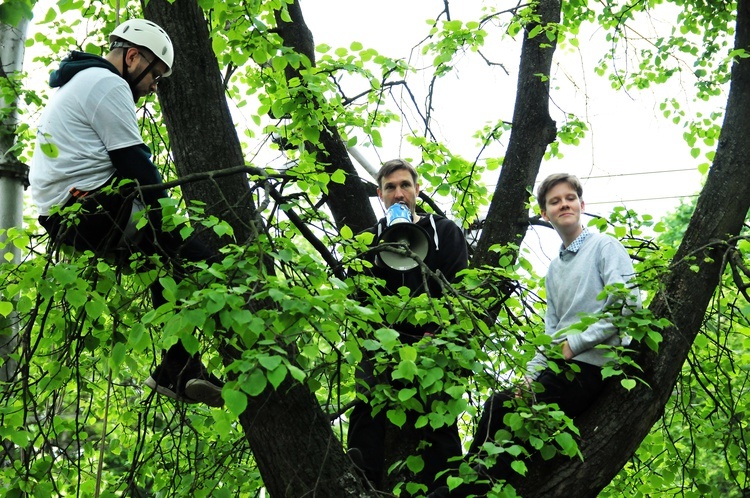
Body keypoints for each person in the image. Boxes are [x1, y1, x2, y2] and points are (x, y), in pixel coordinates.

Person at [29, 19, 224, 407]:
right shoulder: (107, 83)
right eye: (155, 75)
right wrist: (172, 223)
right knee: (206, 263)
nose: (155, 87)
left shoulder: (80, 83)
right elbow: (136, 164)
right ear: (133, 57)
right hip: (89, 210)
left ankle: (177, 367)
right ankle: (231, 335)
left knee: (162, 265)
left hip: (73, 218)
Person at [436, 173, 642, 496]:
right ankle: (470, 484)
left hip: (595, 368)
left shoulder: (605, 247)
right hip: (563, 370)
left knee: (508, 415)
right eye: (555, 201)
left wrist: (574, 344)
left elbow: (627, 308)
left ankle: (464, 491)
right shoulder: (554, 270)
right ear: (544, 214)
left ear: (582, 204)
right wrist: (530, 377)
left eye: (570, 198)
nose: (564, 205)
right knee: (499, 406)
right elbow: (551, 335)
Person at [346, 159, 469, 493]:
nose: (399, 193)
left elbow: (460, 292)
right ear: (379, 195)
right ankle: (361, 486)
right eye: (390, 187)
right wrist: (379, 344)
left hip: (433, 344)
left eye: (405, 185)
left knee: (440, 420)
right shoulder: (367, 241)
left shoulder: (445, 232)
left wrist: (438, 336)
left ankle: (446, 490)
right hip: (381, 347)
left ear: (417, 189)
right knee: (366, 409)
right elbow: (358, 303)